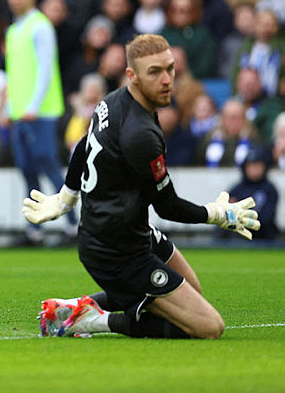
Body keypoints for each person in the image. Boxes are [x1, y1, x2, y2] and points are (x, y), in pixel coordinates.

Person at [23, 34, 261, 339]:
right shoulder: (140, 136)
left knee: (193, 293)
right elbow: (167, 205)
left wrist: (67, 197)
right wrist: (217, 214)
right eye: (155, 72)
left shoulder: (112, 101)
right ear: (132, 76)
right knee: (208, 327)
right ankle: (92, 321)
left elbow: (85, 144)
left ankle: (74, 308)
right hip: (114, 250)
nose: (166, 80)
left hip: (129, 231)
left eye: (170, 69)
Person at [4, 0, 69, 243]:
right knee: (27, 169)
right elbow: (15, 75)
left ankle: (73, 225)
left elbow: (45, 68)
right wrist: (10, 108)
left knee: (49, 167)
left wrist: (32, 106)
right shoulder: (13, 30)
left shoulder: (40, 26)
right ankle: (35, 228)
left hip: (41, 112)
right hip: (20, 113)